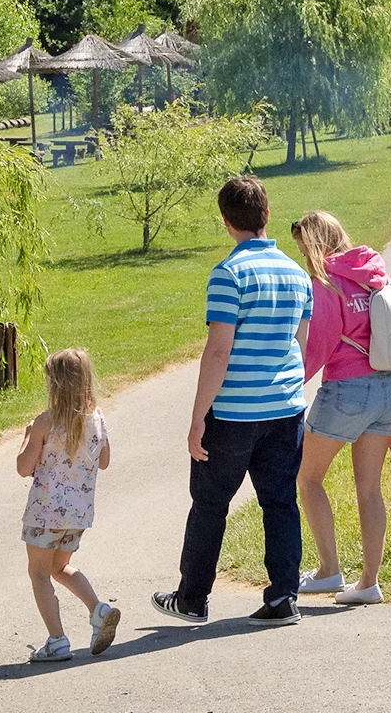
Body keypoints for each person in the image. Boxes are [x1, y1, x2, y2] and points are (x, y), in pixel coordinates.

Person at [153, 176, 312, 627]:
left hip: (234, 413)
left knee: (210, 503)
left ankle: (192, 598)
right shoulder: (297, 274)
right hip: (285, 408)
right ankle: (283, 597)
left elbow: (218, 350)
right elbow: (299, 343)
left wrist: (198, 416)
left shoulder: (228, 274)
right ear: (267, 214)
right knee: (280, 502)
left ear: (226, 222)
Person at [289, 211, 391, 606]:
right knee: (369, 488)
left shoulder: (326, 283)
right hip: (389, 388)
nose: (304, 256)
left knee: (308, 477)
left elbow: (317, 346)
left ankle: (328, 570)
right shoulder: (374, 273)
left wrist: (290, 384)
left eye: (304, 247)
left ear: (315, 244)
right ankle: (369, 582)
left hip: (347, 391)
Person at [15, 349, 120, 662]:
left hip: (44, 514)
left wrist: (27, 437)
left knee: (39, 574)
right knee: (59, 567)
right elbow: (104, 462)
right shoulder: (97, 418)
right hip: (77, 515)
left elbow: (23, 467)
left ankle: (57, 640)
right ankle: (98, 610)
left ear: (55, 385)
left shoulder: (45, 422)